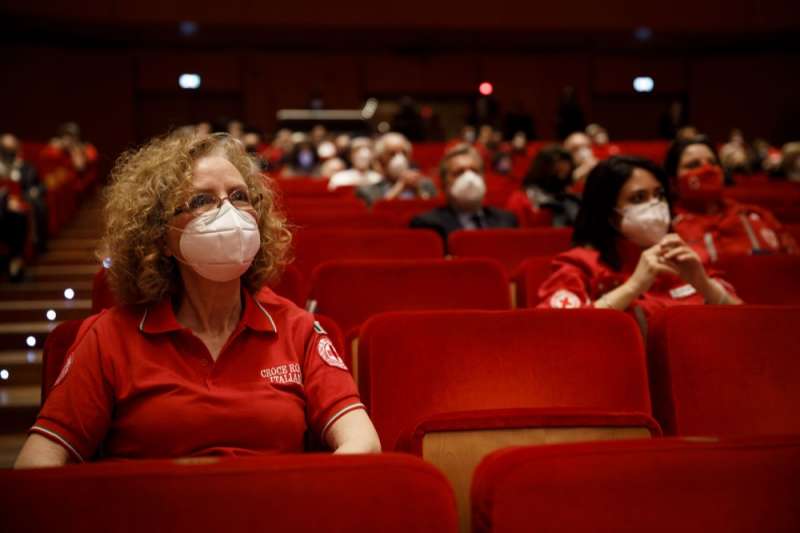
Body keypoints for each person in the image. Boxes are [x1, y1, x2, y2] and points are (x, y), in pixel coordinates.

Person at [15, 132, 380, 468]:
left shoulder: (295, 328)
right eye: (202, 200)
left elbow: (362, 442)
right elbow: (37, 464)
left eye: (239, 196)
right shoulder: (109, 337)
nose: (230, 212)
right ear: (160, 235)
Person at [537, 156, 741, 321]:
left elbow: (748, 325)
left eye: (659, 195)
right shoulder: (580, 266)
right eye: (638, 198)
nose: (655, 205)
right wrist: (632, 288)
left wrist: (704, 285)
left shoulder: (689, 259)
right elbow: (556, 333)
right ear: (609, 214)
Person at [664, 137, 797, 263]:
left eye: (713, 163)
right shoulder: (667, 227)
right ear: (673, 182)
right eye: (693, 165)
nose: (708, 169)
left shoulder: (755, 216)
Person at [410, 143, 517, 245]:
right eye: (459, 173)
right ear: (443, 183)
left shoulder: (507, 220)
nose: (469, 178)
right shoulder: (428, 225)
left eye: (475, 171)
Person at [506, 145, 580, 227]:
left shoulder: (571, 200)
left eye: (566, 168)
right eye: (557, 170)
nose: (565, 168)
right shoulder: (520, 199)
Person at [356, 132, 437, 206]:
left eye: (404, 153)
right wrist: (401, 186)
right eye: (392, 154)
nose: (400, 158)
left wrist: (418, 190)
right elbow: (377, 213)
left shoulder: (426, 184)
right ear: (380, 160)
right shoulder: (368, 189)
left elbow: (432, 213)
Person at [1, 134, 47, 253]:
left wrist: (32, 193)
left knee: (31, 209)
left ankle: (23, 253)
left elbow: (40, 186)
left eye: (10, 149)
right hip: (3, 206)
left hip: (23, 203)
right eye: (5, 149)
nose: (8, 153)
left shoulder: (27, 167)